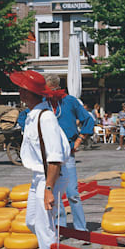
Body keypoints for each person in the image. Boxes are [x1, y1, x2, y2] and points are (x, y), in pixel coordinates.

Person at [9, 70, 71, 249]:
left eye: (22, 89)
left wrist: (48, 189)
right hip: (40, 177)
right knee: (32, 222)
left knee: (45, 227)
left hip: (49, 178)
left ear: (28, 93)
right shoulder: (34, 115)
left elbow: (54, 159)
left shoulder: (46, 118)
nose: (19, 92)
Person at [44, 75, 94, 235]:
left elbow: (88, 120)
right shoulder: (42, 103)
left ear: (57, 88)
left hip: (67, 152)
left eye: (51, 89)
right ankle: (60, 230)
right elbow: (24, 117)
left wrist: (79, 140)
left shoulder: (70, 101)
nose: (49, 93)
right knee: (55, 193)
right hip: (50, 154)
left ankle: (81, 230)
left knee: (72, 193)